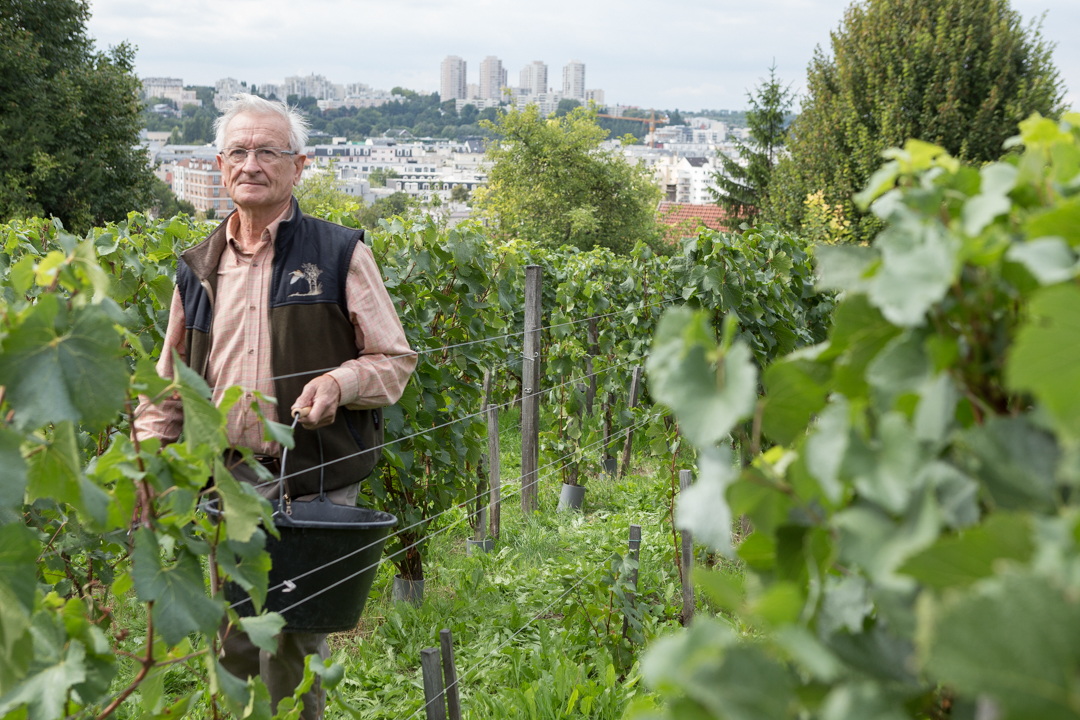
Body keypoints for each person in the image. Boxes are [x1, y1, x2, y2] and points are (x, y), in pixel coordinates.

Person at [134, 94, 416, 718]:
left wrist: (341, 383)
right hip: (227, 478)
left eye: (269, 151)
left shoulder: (340, 253)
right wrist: (147, 461)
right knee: (233, 636)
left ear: (299, 166)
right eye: (238, 151)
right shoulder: (196, 268)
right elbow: (169, 383)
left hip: (314, 476)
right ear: (219, 163)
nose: (251, 163)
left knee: (292, 639)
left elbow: (393, 361)